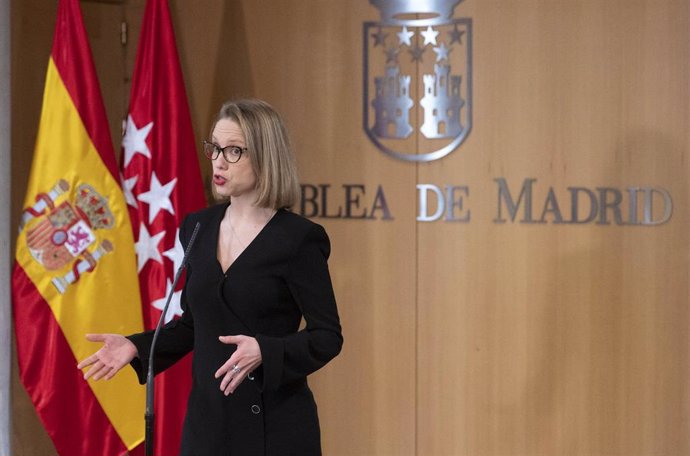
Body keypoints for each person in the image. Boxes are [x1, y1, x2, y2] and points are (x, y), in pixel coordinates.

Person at [77, 99, 343, 455]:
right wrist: (137, 346)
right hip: (208, 425)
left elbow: (327, 337)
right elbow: (196, 323)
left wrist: (267, 349)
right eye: (215, 148)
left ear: (266, 156)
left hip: (273, 426)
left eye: (234, 151)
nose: (219, 160)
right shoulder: (197, 227)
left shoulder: (298, 239)